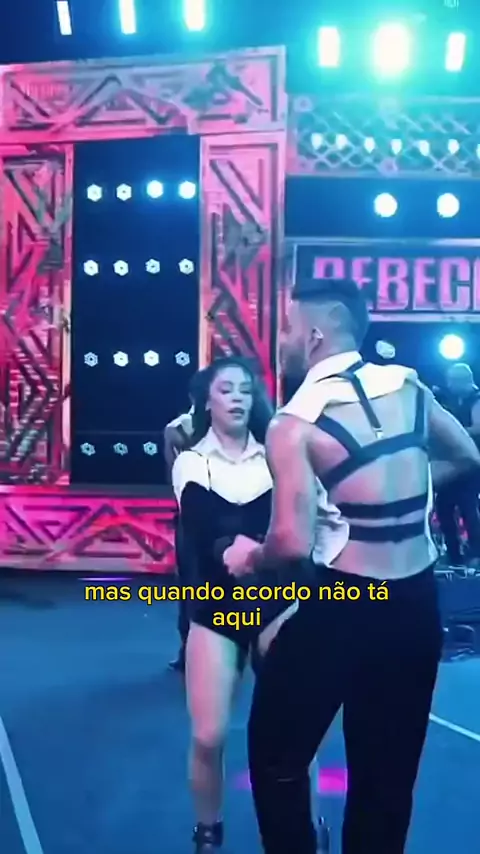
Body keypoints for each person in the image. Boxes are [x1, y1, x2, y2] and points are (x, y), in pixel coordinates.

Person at [223, 278, 480, 854]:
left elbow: (290, 543)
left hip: (345, 605)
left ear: (314, 335)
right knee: (387, 778)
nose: (281, 340)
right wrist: (400, 495)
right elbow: (467, 455)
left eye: (287, 328)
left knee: (277, 756)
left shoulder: (293, 424)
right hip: (415, 605)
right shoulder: (410, 387)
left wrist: (248, 556)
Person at [171, 357, 327, 853]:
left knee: (295, 732)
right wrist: (242, 550)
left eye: (244, 390)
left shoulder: (279, 457)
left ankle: (309, 825)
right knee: (209, 735)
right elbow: (204, 530)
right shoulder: (191, 462)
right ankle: (207, 832)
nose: (237, 398)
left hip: (278, 602)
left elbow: (302, 523)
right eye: (226, 390)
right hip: (217, 608)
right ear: (207, 401)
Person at [164, 372, 205, 672]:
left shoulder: (175, 429)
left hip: (197, 514)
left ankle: (192, 647)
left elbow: (172, 475)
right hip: (196, 516)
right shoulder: (178, 429)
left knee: (192, 584)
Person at [433, 362, 480, 566]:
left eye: (452, 381)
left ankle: (476, 552)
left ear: (463, 380)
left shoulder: (476, 400)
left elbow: (478, 428)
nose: (449, 385)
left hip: (471, 463)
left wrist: (453, 434)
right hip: (453, 464)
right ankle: (453, 553)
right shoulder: (454, 401)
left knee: (468, 507)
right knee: (443, 507)